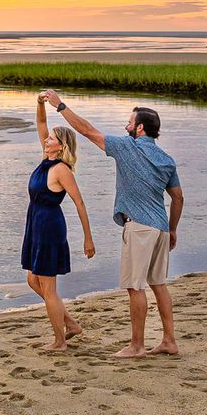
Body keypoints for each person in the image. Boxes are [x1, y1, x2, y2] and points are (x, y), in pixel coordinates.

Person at [39, 90, 184, 358]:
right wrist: (173, 229)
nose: (126, 126)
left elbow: (87, 131)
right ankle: (169, 341)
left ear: (139, 128)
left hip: (139, 226)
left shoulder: (127, 147)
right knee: (158, 283)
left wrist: (61, 106)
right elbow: (177, 197)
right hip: (161, 227)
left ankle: (137, 346)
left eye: (130, 122)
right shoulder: (166, 159)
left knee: (135, 287)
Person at [23, 93, 96, 352]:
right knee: (34, 280)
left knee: (48, 287)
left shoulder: (61, 169)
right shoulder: (46, 161)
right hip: (36, 224)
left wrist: (88, 238)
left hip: (49, 228)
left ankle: (59, 341)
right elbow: (42, 126)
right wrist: (40, 103)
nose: (46, 139)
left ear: (61, 146)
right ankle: (71, 324)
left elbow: (80, 202)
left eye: (52, 138)